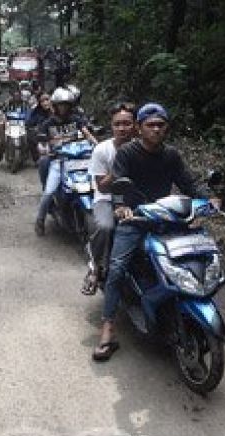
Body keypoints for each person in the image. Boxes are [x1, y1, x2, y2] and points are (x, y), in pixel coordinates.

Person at [93, 103, 217, 361]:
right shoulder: (127, 153)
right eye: (150, 125)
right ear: (139, 128)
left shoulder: (171, 154)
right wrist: (122, 207)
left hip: (167, 217)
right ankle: (108, 328)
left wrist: (209, 200)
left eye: (161, 124)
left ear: (167, 127)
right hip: (135, 219)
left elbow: (187, 182)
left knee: (195, 255)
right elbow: (117, 183)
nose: (156, 129)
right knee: (116, 268)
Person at [81, 102, 137, 295]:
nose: (122, 128)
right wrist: (119, 167)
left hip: (135, 198)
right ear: (112, 126)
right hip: (106, 197)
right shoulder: (102, 150)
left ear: (135, 125)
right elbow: (101, 185)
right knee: (105, 227)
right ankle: (96, 267)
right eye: (117, 124)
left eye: (127, 123)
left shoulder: (143, 147)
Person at [33, 87, 97, 235]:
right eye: (60, 104)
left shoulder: (76, 120)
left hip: (81, 160)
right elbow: (41, 143)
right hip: (59, 161)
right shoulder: (48, 123)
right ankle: (40, 220)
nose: (63, 107)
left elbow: (87, 133)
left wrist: (96, 144)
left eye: (66, 104)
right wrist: (44, 149)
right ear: (55, 106)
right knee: (49, 192)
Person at [0, 87, 30, 167]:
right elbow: (3, 112)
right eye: (14, 95)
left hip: (22, 125)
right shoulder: (8, 103)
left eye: (18, 95)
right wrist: (4, 118)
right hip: (10, 124)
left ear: (21, 95)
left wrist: (27, 121)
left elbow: (28, 114)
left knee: (28, 139)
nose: (16, 96)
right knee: (2, 140)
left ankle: (29, 157)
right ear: (12, 95)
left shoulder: (25, 104)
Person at [26, 93, 53, 187]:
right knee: (43, 161)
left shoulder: (57, 112)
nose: (45, 102)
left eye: (47, 99)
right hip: (43, 139)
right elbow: (29, 123)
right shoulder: (36, 112)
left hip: (61, 140)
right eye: (43, 101)